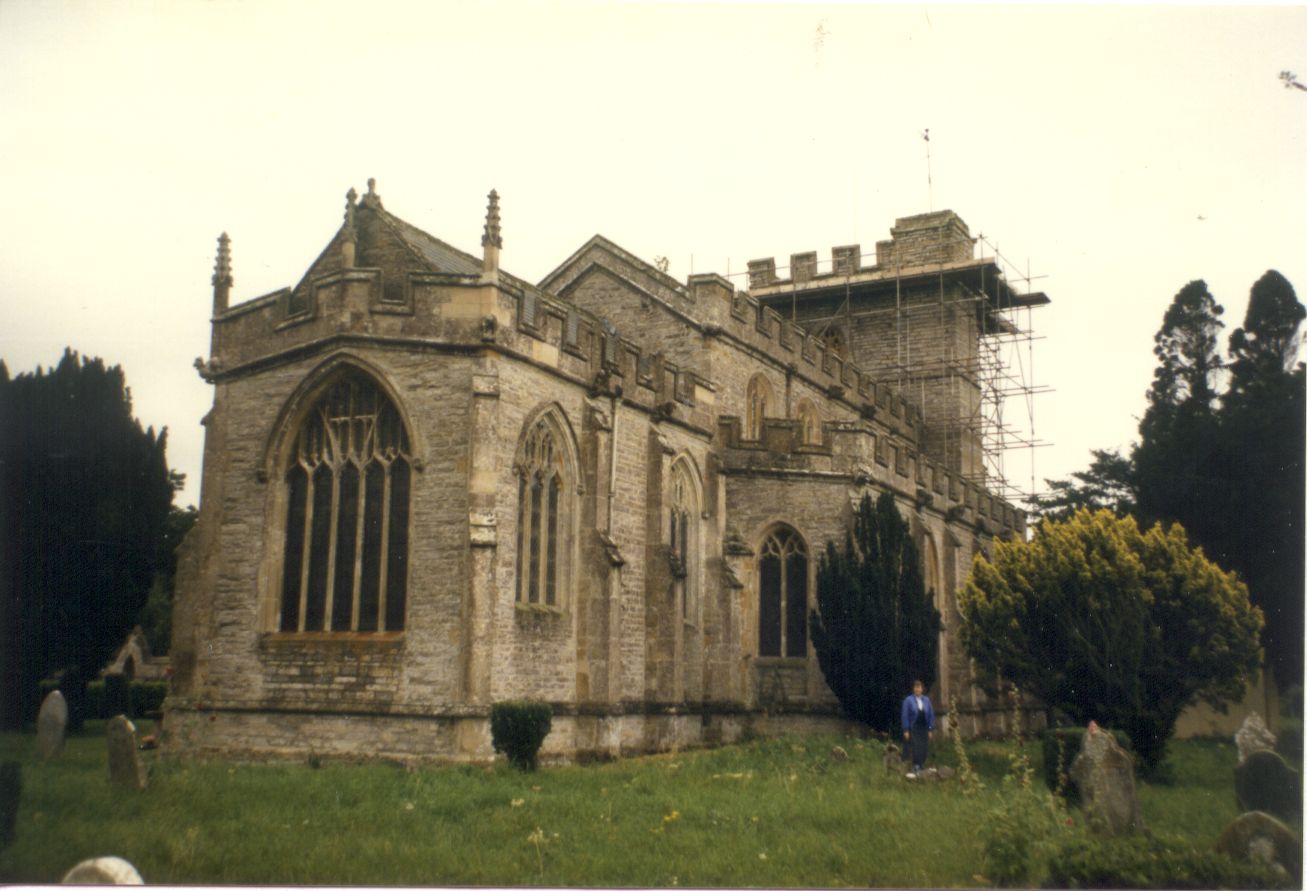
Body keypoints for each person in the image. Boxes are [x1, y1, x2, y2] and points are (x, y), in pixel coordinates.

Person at [900, 679, 934, 778]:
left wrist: (930, 729)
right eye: (916, 687)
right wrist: (905, 729)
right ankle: (915, 766)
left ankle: (921, 765)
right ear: (913, 689)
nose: (917, 689)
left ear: (922, 689)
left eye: (919, 687)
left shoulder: (926, 700)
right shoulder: (908, 700)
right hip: (913, 727)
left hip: (923, 728)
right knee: (915, 747)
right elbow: (904, 715)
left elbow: (931, 715)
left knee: (923, 747)